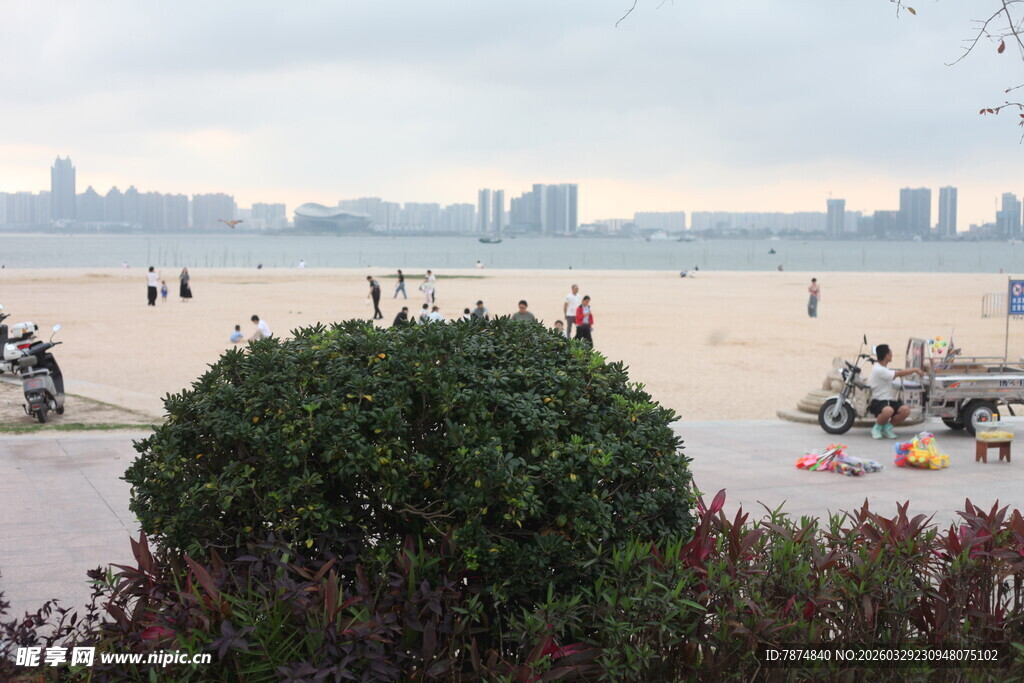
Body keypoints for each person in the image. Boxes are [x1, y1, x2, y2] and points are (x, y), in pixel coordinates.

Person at [866, 343, 924, 439]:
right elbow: (898, 373)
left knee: (905, 410)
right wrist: (915, 370)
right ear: (887, 355)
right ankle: (876, 428)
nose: (892, 354)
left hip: (889, 400)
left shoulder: (883, 369)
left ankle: (887, 428)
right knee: (888, 411)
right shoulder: (879, 370)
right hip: (879, 400)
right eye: (891, 352)